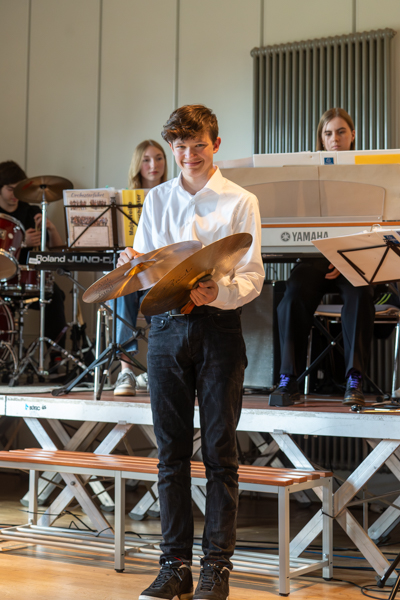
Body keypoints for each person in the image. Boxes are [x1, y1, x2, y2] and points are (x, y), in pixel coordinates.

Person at [118, 105, 264, 600]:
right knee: (170, 455)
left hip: (218, 328)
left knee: (221, 454)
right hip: (164, 329)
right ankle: (174, 566)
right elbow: (145, 270)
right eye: (180, 147)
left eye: (198, 145)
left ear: (215, 144)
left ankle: (216, 569)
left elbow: (252, 276)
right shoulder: (156, 198)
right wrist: (132, 264)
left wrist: (217, 293)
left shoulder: (241, 200)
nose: (188, 155)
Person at [269, 108, 375, 407]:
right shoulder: (308, 176)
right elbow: (299, 223)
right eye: (328, 133)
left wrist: (342, 256)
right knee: (291, 298)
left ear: (353, 135)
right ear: (321, 138)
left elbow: (372, 224)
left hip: (353, 258)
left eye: (341, 132)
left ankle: (354, 378)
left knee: (361, 295)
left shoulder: (367, 174)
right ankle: (288, 378)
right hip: (313, 258)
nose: (335, 139)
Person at [0, 161, 68, 369]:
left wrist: (51, 229)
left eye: (18, 189)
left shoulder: (32, 212)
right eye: (10, 189)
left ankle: (56, 356)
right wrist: (22, 243)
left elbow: (57, 251)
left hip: (28, 278)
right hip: (2, 277)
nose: (15, 194)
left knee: (55, 295)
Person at [113, 140, 167, 396]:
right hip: (133, 272)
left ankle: (158, 368)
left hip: (160, 273)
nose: (153, 164)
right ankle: (126, 370)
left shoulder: (173, 196)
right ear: (137, 164)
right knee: (122, 286)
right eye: (146, 159)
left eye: (159, 158)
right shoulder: (122, 202)